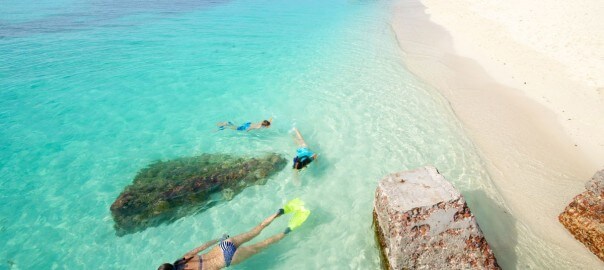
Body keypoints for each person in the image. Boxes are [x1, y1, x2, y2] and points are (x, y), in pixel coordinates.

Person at [157, 200, 309, 270]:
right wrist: (219, 239)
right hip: (224, 245)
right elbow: (202, 246)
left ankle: (289, 228)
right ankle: (280, 212)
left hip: (227, 259)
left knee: (264, 244)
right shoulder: (182, 259)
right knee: (257, 229)